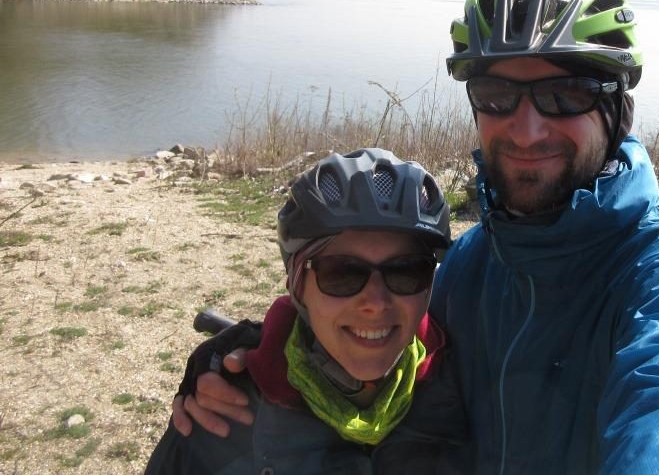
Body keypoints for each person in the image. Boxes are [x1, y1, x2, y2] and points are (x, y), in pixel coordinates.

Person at [174, 0, 659, 474]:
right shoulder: (470, 264)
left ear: (617, 111)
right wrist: (260, 358)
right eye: (497, 95)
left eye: (566, 95)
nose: (527, 129)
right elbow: (384, 346)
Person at [146, 147, 462, 474]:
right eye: (342, 273)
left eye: (407, 271)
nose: (376, 303)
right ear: (298, 287)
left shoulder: (467, 388)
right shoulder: (221, 417)